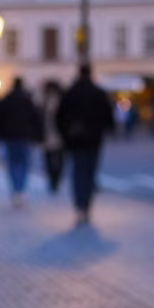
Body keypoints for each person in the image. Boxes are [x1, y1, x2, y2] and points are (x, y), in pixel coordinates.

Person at [57, 65, 116, 226]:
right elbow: (108, 116)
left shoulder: (70, 93)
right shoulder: (98, 93)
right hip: (94, 139)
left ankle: (79, 206)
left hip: (75, 140)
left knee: (77, 172)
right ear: (90, 74)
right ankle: (87, 205)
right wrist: (108, 129)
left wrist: (65, 134)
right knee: (90, 172)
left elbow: (60, 116)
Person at [0, 78, 43, 206]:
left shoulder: (7, 100)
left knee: (12, 163)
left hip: (10, 136)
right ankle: (20, 189)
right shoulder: (27, 100)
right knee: (24, 163)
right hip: (24, 135)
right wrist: (38, 135)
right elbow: (35, 118)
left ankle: (16, 189)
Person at [40, 81, 66, 194]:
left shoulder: (61, 102)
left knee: (58, 161)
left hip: (58, 135)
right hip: (48, 135)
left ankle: (55, 180)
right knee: (50, 161)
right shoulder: (44, 102)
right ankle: (52, 180)